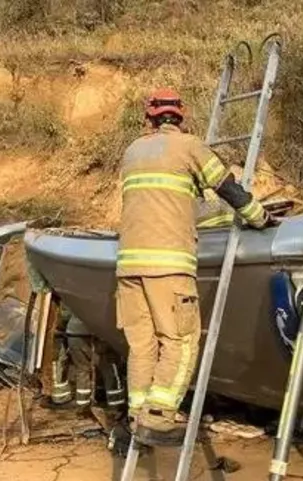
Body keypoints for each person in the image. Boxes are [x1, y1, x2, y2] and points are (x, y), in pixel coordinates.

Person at [116, 87, 275, 446]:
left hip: (128, 267)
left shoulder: (132, 152)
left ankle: (137, 414)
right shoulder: (189, 147)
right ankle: (158, 417)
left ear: (149, 118)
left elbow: (156, 202)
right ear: (181, 116)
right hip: (169, 264)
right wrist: (259, 217)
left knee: (142, 345)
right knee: (181, 340)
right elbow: (227, 188)